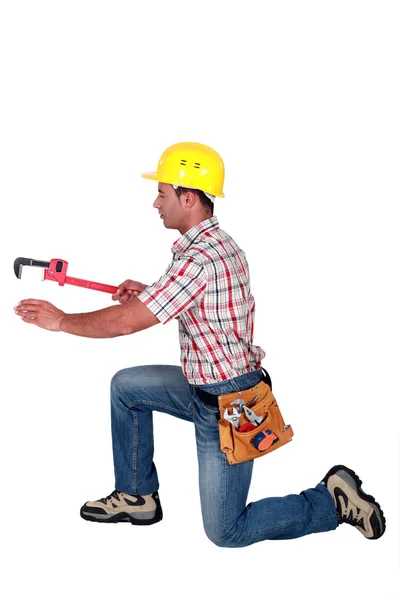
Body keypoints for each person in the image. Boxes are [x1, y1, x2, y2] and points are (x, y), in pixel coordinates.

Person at [14, 141, 386, 545]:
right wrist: (149, 291)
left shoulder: (199, 260)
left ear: (187, 197)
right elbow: (193, 298)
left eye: (161, 193)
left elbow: (125, 324)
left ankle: (330, 501)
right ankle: (137, 495)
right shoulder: (212, 245)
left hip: (228, 406)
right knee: (126, 388)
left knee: (227, 531)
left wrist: (62, 320)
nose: (155, 203)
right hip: (203, 388)